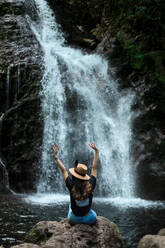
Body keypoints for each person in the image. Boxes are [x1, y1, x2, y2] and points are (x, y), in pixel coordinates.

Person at [53, 143, 99, 225]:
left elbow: (63, 170)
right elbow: (94, 168)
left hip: (73, 219)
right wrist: (97, 152)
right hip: (89, 219)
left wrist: (56, 157)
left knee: (71, 204)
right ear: (85, 176)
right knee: (93, 214)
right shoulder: (91, 184)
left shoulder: (71, 185)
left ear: (74, 175)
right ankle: (85, 215)